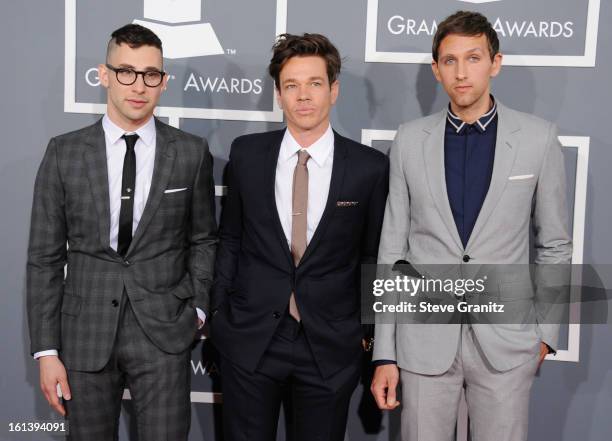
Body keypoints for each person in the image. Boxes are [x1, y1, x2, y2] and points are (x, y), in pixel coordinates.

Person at [370, 11, 572, 441]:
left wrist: (544, 334)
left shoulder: (538, 139)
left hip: (507, 344)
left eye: (474, 58)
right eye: (449, 60)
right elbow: (393, 252)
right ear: (436, 69)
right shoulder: (408, 140)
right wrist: (384, 352)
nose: (462, 73)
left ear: (495, 63)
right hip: (423, 344)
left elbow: (555, 244)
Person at [26, 23, 217, 441]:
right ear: (105, 74)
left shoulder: (189, 152)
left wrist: (197, 310)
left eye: (151, 75)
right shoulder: (64, 152)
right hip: (84, 331)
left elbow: (203, 238)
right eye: (126, 72)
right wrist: (47, 351)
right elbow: (44, 258)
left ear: (163, 82)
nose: (138, 85)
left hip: (164, 331)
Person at [210, 33, 389, 441]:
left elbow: (372, 258)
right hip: (251, 340)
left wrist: (363, 334)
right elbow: (231, 239)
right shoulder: (247, 155)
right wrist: (220, 314)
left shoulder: (369, 168)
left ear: (334, 90)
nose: (303, 96)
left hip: (329, 346)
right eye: (291, 85)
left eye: (314, 83)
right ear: (278, 94)